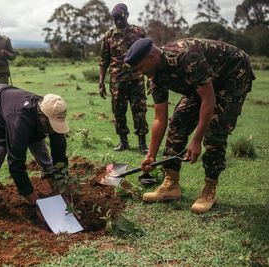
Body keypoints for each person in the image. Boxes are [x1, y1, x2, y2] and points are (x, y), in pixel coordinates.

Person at [125, 38, 255, 213]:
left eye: (140, 68)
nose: (140, 73)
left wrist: (196, 140)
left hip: (232, 74)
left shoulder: (187, 56)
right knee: (177, 122)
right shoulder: (155, 77)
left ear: (152, 58)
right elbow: (159, 118)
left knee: (214, 132)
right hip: (200, 82)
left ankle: (209, 189)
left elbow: (208, 99)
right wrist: (151, 155)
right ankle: (171, 184)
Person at [0, 84, 69, 218]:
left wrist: (62, 179)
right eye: (50, 124)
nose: (53, 129)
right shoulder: (21, 119)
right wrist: (36, 203)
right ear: (42, 114)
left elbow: (59, 150)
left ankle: (49, 171)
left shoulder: (53, 111)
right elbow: (16, 163)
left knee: (38, 132)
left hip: (6, 104)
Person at [99, 3, 149, 153]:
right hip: (117, 82)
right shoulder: (108, 36)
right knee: (118, 112)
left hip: (136, 79)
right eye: (115, 19)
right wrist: (101, 82)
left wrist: (151, 77)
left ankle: (142, 143)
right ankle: (123, 142)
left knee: (139, 111)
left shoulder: (139, 32)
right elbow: (103, 60)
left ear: (127, 15)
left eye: (120, 18)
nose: (118, 22)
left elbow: (148, 55)